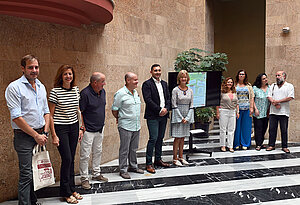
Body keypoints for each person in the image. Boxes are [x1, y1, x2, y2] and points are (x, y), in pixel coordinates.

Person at [5, 54, 50, 205]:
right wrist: (36, 135)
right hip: (24, 136)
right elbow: (16, 117)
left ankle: (32, 200)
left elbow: (46, 112)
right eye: (30, 67)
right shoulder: (14, 87)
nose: (34, 70)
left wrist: (45, 132)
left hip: (40, 134)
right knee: (26, 174)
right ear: (22, 68)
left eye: (36, 67)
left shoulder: (41, 86)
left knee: (35, 171)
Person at [48, 65, 83, 204]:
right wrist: (54, 135)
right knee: (67, 158)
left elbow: (78, 110)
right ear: (61, 76)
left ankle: (72, 188)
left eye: (70, 74)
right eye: (65, 74)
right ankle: (65, 192)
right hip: (60, 128)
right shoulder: (55, 92)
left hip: (74, 126)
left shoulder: (76, 90)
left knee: (72, 159)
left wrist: (81, 127)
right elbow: (50, 115)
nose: (68, 76)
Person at [112, 72, 144, 179]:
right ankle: (123, 170)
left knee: (134, 148)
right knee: (124, 148)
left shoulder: (135, 92)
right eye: (135, 80)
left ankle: (133, 166)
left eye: (137, 79)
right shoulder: (120, 93)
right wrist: (119, 118)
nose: (137, 81)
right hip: (125, 125)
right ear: (128, 81)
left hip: (136, 125)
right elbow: (115, 109)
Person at [79, 72, 108, 190]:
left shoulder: (103, 92)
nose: (104, 84)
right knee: (85, 155)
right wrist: (82, 128)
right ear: (94, 83)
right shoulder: (85, 93)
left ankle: (96, 173)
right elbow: (80, 111)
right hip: (88, 130)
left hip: (100, 128)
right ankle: (84, 178)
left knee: (98, 152)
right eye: (102, 82)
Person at [142, 64, 171, 173]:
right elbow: (148, 100)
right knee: (153, 138)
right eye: (155, 70)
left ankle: (158, 159)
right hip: (153, 116)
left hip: (164, 115)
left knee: (160, 138)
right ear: (151, 72)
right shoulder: (147, 84)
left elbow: (168, 98)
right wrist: (160, 109)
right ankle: (149, 163)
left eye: (159, 70)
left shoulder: (164, 84)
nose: (158, 72)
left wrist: (166, 109)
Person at [266, 71, 294, 153]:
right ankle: (271, 145)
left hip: (284, 112)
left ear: (284, 76)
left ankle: (284, 146)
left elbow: (290, 97)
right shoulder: (273, 85)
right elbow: (269, 96)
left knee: (284, 130)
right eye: (276, 75)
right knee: (272, 129)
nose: (277, 77)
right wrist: (274, 103)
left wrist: (278, 101)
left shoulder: (289, 86)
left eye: (279, 75)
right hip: (273, 112)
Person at [171, 70, 194, 166]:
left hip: (187, 114)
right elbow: (174, 104)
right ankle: (175, 158)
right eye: (182, 77)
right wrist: (181, 118)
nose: (183, 79)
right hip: (178, 114)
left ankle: (181, 157)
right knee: (177, 137)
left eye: (185, 77)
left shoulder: (190, 90)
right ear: (179, 79)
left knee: (183, 137)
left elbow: (192, 105)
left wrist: (187, 117)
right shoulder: (175, 90)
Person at [216, 77, 239, 153]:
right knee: (223, 129)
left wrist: (237, 112)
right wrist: (218, 112)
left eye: (231, 82)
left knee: (231, 129)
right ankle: (223, 145)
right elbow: (217, 103)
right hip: (223, 111)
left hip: (232, 111)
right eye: (228, 82)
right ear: (225, 83)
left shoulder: (234, 92)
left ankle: (230, 146)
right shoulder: (222, 92)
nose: (230, 84)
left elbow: (237, 103)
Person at [234, 70, 254, 150]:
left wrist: (251, 108)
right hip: (237, 109)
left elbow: (252, 97)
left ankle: (245, 143)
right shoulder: (235, 85)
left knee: (246, 127)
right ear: (238, 75)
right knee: (237, 127)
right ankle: (236, 143)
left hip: (247, 108)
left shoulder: (248, 86)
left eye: (243, 74)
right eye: (240, 74)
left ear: (245, 76)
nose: (241, 75)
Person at [252, 73, 270, 151]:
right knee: (258, 128)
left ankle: (261, 142)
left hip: (266, 112)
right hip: (258, 112)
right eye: (263, 79)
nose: (265, 80)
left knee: (264, 128)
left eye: (266, 78)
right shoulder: (255, 88)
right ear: (260, 80)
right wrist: (255, 109)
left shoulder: (269, 88)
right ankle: (258, 144)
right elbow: (252, 100)